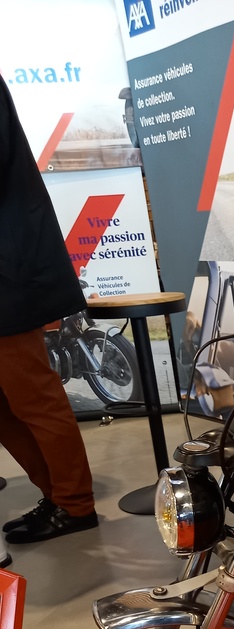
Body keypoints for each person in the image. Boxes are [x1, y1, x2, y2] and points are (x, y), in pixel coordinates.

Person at [0, 78, 97, 545]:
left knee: (32, 396)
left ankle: (75, 504)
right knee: (6, 406)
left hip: (8, 271)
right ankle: (57, 497)